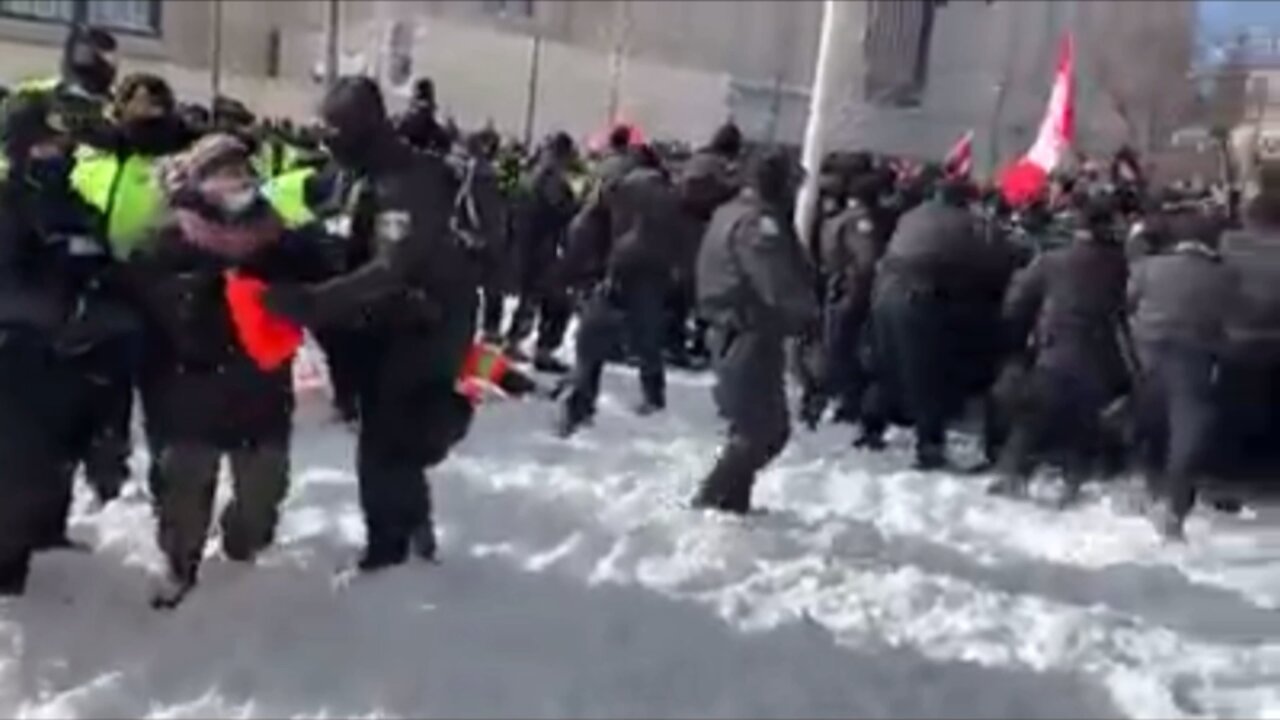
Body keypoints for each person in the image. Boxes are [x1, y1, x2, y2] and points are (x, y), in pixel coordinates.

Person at [263, 77, 478, 572]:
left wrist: (313, 302)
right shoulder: (349, 172)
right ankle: (413, 525)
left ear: (362, 128)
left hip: (424, 323)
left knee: (386, 438)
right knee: (386, 432)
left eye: (334, 131)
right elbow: (315, 215)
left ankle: (390, 551)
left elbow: (390, 268)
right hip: (374, 319)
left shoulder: (408, 181)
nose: (326, 142)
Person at [128, 134, 327, 608]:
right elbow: (141, 313)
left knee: (264, 494)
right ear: (198, 181)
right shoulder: (166, 239)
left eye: (241, 172)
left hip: (260, 390)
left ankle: (241, 543)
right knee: (183, 492)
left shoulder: (277, 238)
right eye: (221, 173)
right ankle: (180, 566)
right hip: (186, 392)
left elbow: (321, 290)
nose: (234, 182)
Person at [0, 93, 123, 593]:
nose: (61, 154)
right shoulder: (6, 208)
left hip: (75, 362)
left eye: (64, 145)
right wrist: (62, 316)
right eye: (49, 146)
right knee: (14, 468)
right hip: (15, 362)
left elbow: (102, 269)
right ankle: (8, 572)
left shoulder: (79, 209)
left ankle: (50, 532)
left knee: (61, 457)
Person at [70, 72, 194, 505]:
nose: (145, 113)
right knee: (106, 392)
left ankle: (169, 489)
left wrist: (166, 253)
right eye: (135, 104)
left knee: (165, 395)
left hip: (166, 291)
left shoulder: (184, 158)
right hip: (101, 289)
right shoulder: (93, 154)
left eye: (154, 105)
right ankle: (107, 479)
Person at [690, 148, 817, 514]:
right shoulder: (758, 224)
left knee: (752, 425)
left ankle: (732, 502)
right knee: (764, 431)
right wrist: (807, 317)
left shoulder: (730, 211)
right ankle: (708, 500)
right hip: (747, 333)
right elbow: (776, 285)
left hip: (736, 329)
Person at [988, 195, 1131, 506]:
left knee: (1033, 419)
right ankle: (1073, 483)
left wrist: (1017, 348)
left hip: (1054, 354)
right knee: (1082, 426)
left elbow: (1016, 304)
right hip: (1101, 360)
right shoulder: (1121, 265)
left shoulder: (1051, 261)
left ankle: (1011, 476)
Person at [861, 175, 1010, 469]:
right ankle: (929, 445)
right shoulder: (971, 224)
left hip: (884, 295)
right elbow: (996, 265)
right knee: (928, 374)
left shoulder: (911, 217)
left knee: (888, 364)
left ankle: (871, 428)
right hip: (923, 301)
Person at [556, 143, 685, 436]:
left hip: (614, 270)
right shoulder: (671, 194)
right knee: (648, 338)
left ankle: (580, 406)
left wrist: (575, 267)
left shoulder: (616, 188)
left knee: (592, 339)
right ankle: (653, 399)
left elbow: (582, 228)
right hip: (653, 275)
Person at [1128, 213, 1241, 540]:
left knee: (1149, 424)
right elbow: (1232, 320)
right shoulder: (1225, 275)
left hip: (1145, 356)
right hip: (1194, 360)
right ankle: (1174, 513)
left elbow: (1128, 303)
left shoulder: (1149, 267)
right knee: (1186, 432)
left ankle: (1141, 490)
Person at [504, 132, 579, 372]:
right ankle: (543, 351)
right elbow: (563, 211)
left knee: (531, 299)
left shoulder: (529, 175)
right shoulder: (551, 180)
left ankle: (514, 341)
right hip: (545, 248)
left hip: (525, 246)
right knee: (557, 303)